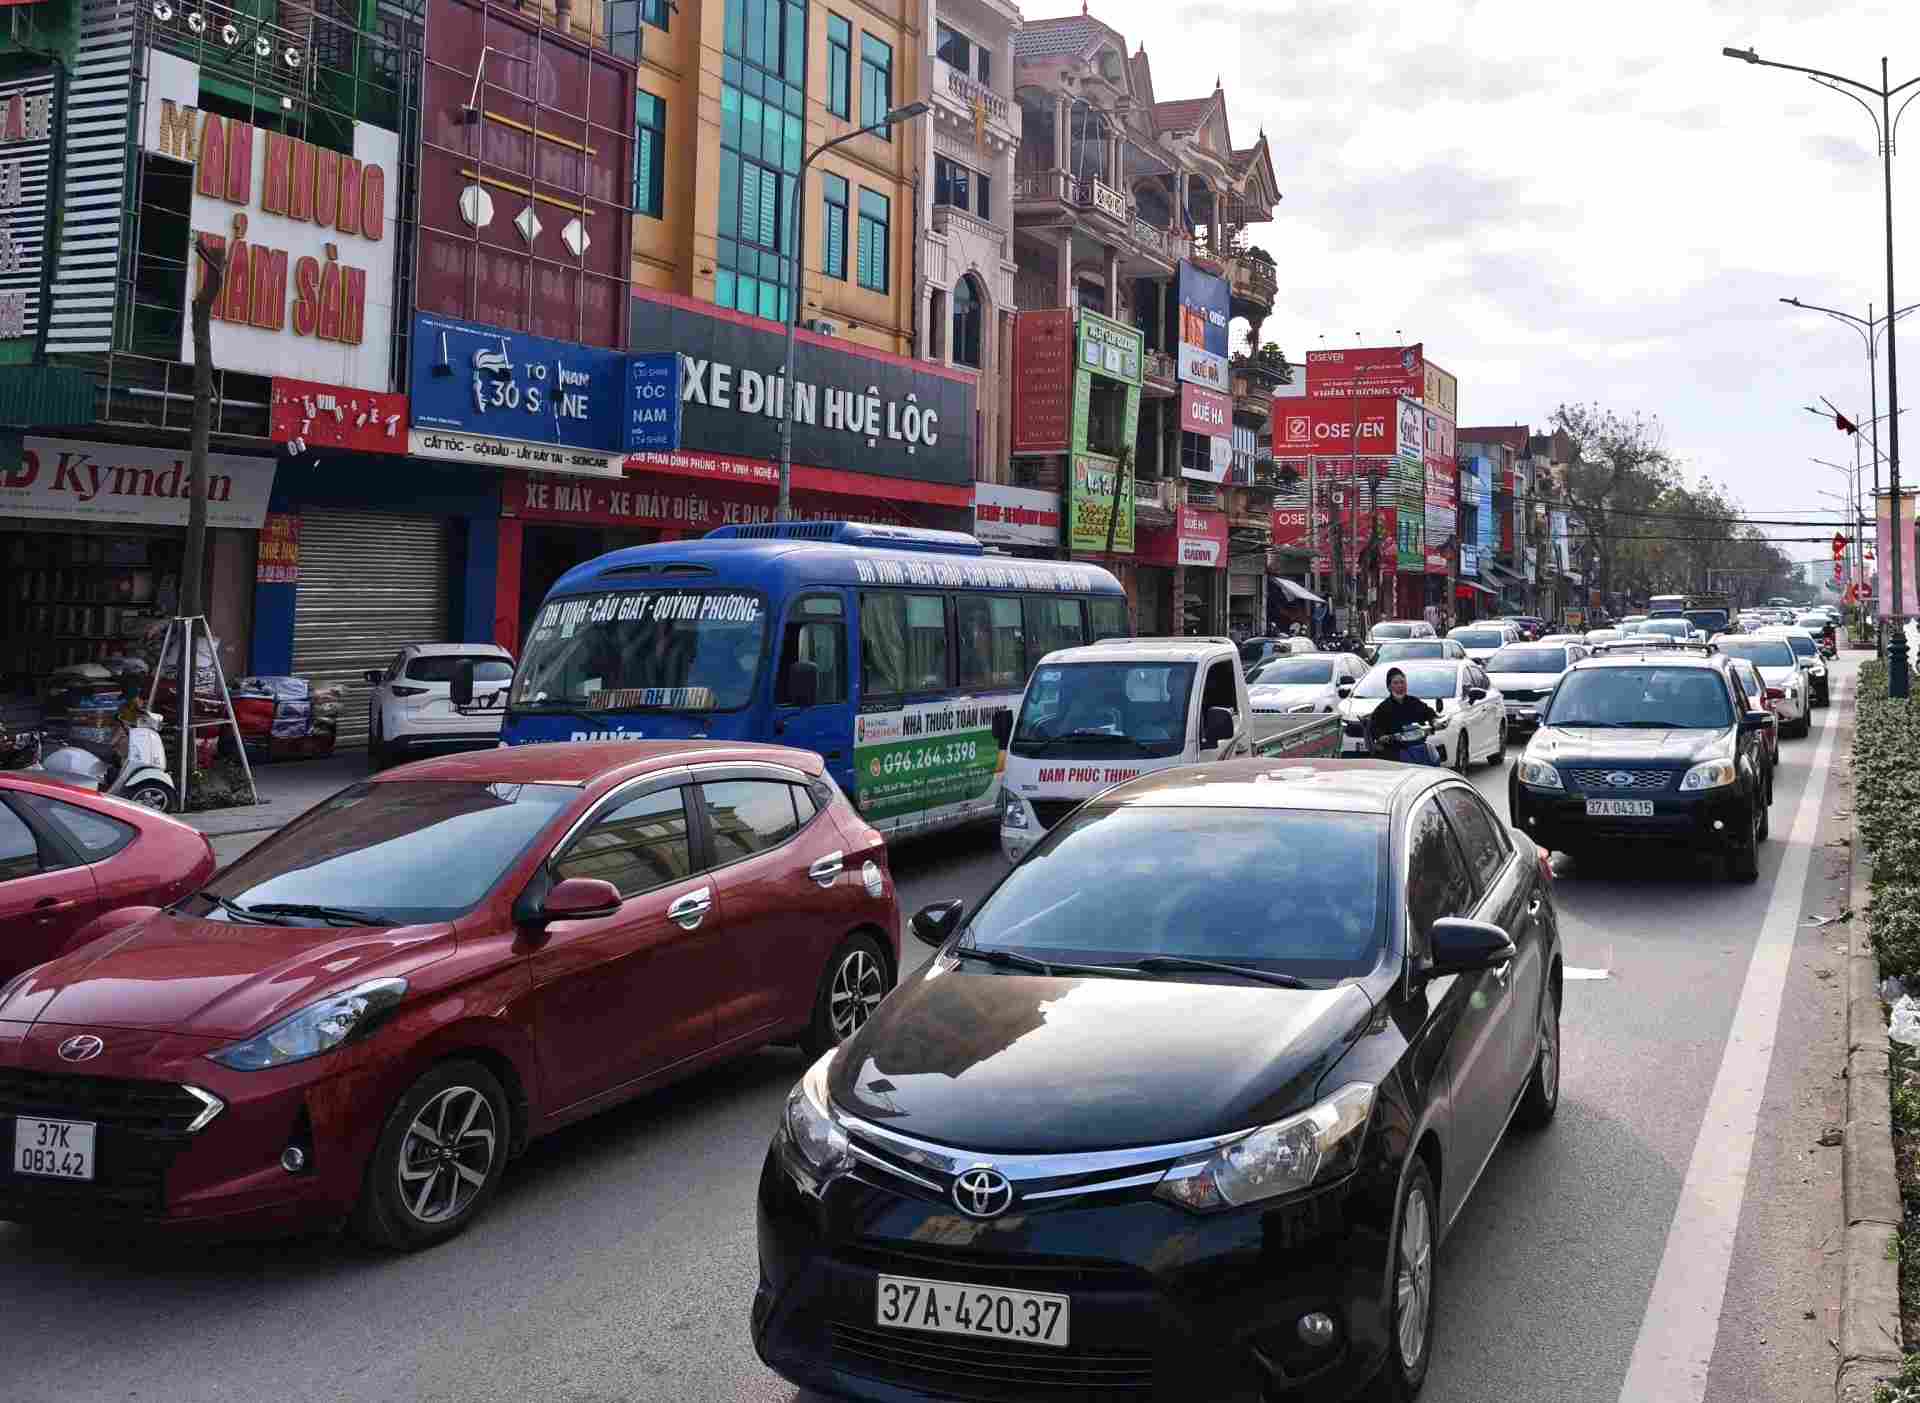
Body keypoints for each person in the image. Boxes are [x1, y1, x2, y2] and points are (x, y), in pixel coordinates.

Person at [1367, 667, 1439, 762]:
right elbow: (1374, 727)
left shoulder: (1414, 702)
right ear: (1389, 687)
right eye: (1396, 683)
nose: (1400, 686)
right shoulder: (1382, 708)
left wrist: (1434, 721)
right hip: (1395, 751)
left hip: (1418, 746)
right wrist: (1381, 737)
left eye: (1402, 682)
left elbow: (1428, 712)